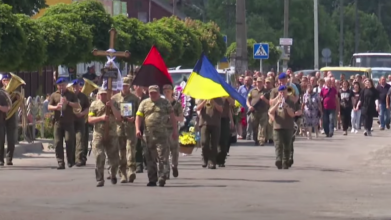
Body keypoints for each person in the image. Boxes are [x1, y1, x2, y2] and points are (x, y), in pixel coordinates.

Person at [135, 85, 178, 187]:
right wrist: (137, 129)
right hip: (148, 135)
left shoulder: (165, 103)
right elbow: (139, 117)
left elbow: (172, 117)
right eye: (151, 93)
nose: (152, 95)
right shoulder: (144, 103)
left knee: (162, 157)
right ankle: (152, 179)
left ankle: (162, 176)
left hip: (162, 135)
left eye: (154, 93)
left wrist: (175, 130)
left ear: (158, 93)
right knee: (149, 158)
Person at [88, 88, 122, 187]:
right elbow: (90, 119)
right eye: (101, 94)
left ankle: (112, 173)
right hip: (99, 134)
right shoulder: (94, 105)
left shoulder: (115, 103)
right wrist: (101, 118)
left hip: (112, 134)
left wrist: (112, 106)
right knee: (99, 156)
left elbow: (119, 117)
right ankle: (100, 179)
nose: (103, 96)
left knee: (114, 159)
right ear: (99, 95)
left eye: (105, 94)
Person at [112, 77, 140, 183]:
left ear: (129, 86)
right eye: (123, 85)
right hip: (119, 128)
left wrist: (134, 118)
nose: (125, 87)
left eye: (127, 85)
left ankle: (131, 171)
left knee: (131, 150)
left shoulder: (135, 98)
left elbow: (139, 113)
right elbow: (112, 113)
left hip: (130, 128)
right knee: (120, 152)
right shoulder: (115, 98)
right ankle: (122, 174)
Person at [48, 77, 79, 169]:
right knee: (57, 142)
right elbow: (49, 106)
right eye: (59, 85)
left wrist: (68, 103)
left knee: (69, 141)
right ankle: (60, 162)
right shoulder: (54, 95)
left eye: (63, 85)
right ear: (57, 86)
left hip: (69, 122)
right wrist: (56, 107)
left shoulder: (71, 94)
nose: (61, 87)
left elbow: (77, 105)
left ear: (66, 85)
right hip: (58, 122)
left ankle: (70, 160)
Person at [268, 85, 301, 169]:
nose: (282, 93)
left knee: (287, 145)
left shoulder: (290, 101)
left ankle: (285, 162)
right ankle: (278, 160)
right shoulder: (276, 101)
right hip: (277, 126)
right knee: (278, 145)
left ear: (286, 92)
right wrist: (277, 104)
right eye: (280, 92)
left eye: (283, 92)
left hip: (288, 126)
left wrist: (286, 106)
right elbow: (270, 111)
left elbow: (292, 114)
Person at [162, 84, 184, 178]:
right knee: (164, 151)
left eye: (168, 91)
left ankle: (174, 165)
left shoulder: (177, 104)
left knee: (174, 150)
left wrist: (173, 117)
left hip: (173, 129)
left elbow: (181, 118)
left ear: (172, 92)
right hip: (163, 130)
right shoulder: (161, 103)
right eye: (165, 91)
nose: (167, 93)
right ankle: (166, 170)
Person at [196, 98, 223, 169]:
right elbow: (197, 108)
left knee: (214, 144)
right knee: (204, 142)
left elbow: (221, 109)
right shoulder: (202, 98)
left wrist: (214, 102)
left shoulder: (218, 98)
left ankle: (212, 162)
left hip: (215, 123)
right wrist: (205, 101)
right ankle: (205, 158)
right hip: (204, 123)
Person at [246, 77, 270, 146]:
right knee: (254, 126)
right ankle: (256, 139)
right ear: (256, 83)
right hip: (254, 112)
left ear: (263, 83)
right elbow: (248, 100)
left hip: (263, 111)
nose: (259, 83)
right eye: (258, 82)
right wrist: (249, 106)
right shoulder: (252, 91)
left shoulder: (266, 91)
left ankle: (261, 140)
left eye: (260, 82)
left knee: (262, 126)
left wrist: (264, 99)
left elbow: (269, 102)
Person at [72, 79, 90, 167]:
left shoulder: (83, 96)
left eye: (77, 87)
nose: (75, 88)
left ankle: (79, 158)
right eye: (74, 87)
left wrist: (82, 113)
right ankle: (72, 158)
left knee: (80, 139)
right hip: (70, 121)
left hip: (80, 120)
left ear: (80, 87)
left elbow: (87, 107)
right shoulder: (69, 96)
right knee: (71, 140)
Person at [0, 73, 17, 165]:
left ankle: (9, 158)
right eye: (5, 80)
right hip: (2, 117)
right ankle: (0, 159)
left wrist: (19, 99)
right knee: (1, 139)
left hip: (11, 116)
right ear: (2, 81)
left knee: (11, 139)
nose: (7, 82)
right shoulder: (1, 92)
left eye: (8, 80)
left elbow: (19, 103)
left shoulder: (15, 91)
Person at [133, 85, 149, 173]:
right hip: (134, 124)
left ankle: (147, 162)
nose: (138, 87)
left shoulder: (147, 98)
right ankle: (138, 164)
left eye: (140, 85)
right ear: (134, 87)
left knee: (146, 145)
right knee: (137, 145)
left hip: (146, 124)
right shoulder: (132, 97)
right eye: (136, 85)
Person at [217, 97, 234, 167]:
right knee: (216, 139)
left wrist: (232, 120)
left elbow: (232, 104)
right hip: (215, 118)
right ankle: (215, 158)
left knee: (224, 140)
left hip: (225, 119)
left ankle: (221, 160)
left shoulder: (226, 93)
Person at [0, 88, 11, 166]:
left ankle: (1, 160)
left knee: (0, 142)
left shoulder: (1, 95)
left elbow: (7, 108)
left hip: (0, 123)